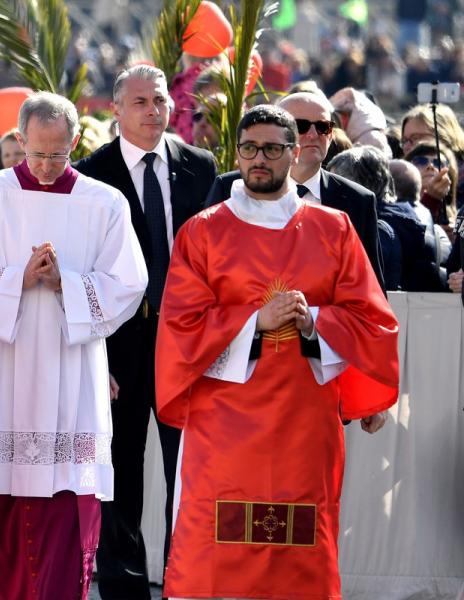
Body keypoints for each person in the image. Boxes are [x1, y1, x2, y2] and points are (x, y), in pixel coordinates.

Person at [157, 105, 399, 599]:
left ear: (295, 153)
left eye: (271, 148)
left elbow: (372, 318)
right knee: (217, 551)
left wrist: (316, 323)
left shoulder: (334, 229)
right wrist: (254, 323)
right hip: (224, 423)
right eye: (249, 148)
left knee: (299, 557)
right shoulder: (202, 232)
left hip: (303, 421)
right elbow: (180, 326)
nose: (258, 159)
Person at [0, 92, 149, 599]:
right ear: (19, 140)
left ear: (75, 142)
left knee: (63, 508)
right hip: (2, 369)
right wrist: (17, 279)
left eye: (59, 154)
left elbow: (129, 282)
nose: (48, 166)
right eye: (37, 154)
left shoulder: (104, 203)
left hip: (69, 370)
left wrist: (65, 285)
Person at [73, 64, 217, 599]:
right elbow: (84, 269)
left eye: (158, 100)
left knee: (189, 470)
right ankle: (123, 584)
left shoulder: (201, 167)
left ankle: (186, 578)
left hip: (187, 347)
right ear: (116, 109)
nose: (152, 110)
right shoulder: (90, 174)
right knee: (121, 473)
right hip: (119, 352)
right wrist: (94, 355)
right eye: (139, 102)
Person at [207, 91, 384, 288]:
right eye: (301, 126)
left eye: (322, 127)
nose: (313, 134)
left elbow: (370, 290)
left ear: (331, 134)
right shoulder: (229, 188)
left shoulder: (358, 201)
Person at [329, 147, 442, 292]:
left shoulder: (378, 230)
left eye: (334, 184)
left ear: (356, 187)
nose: (329, 192)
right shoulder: (399, 220)